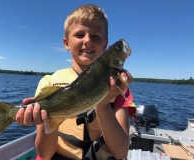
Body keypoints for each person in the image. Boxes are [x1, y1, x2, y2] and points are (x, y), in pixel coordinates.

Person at [16, 4, 136, 160]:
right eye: (80, 35)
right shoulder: (49, 83)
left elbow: (121, 153)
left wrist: (103, 104)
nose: (87, 41)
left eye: (95, 36)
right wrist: (46, 118)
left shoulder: (118, 87)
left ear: (105, 45)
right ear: (66, 43)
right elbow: (45, 154)